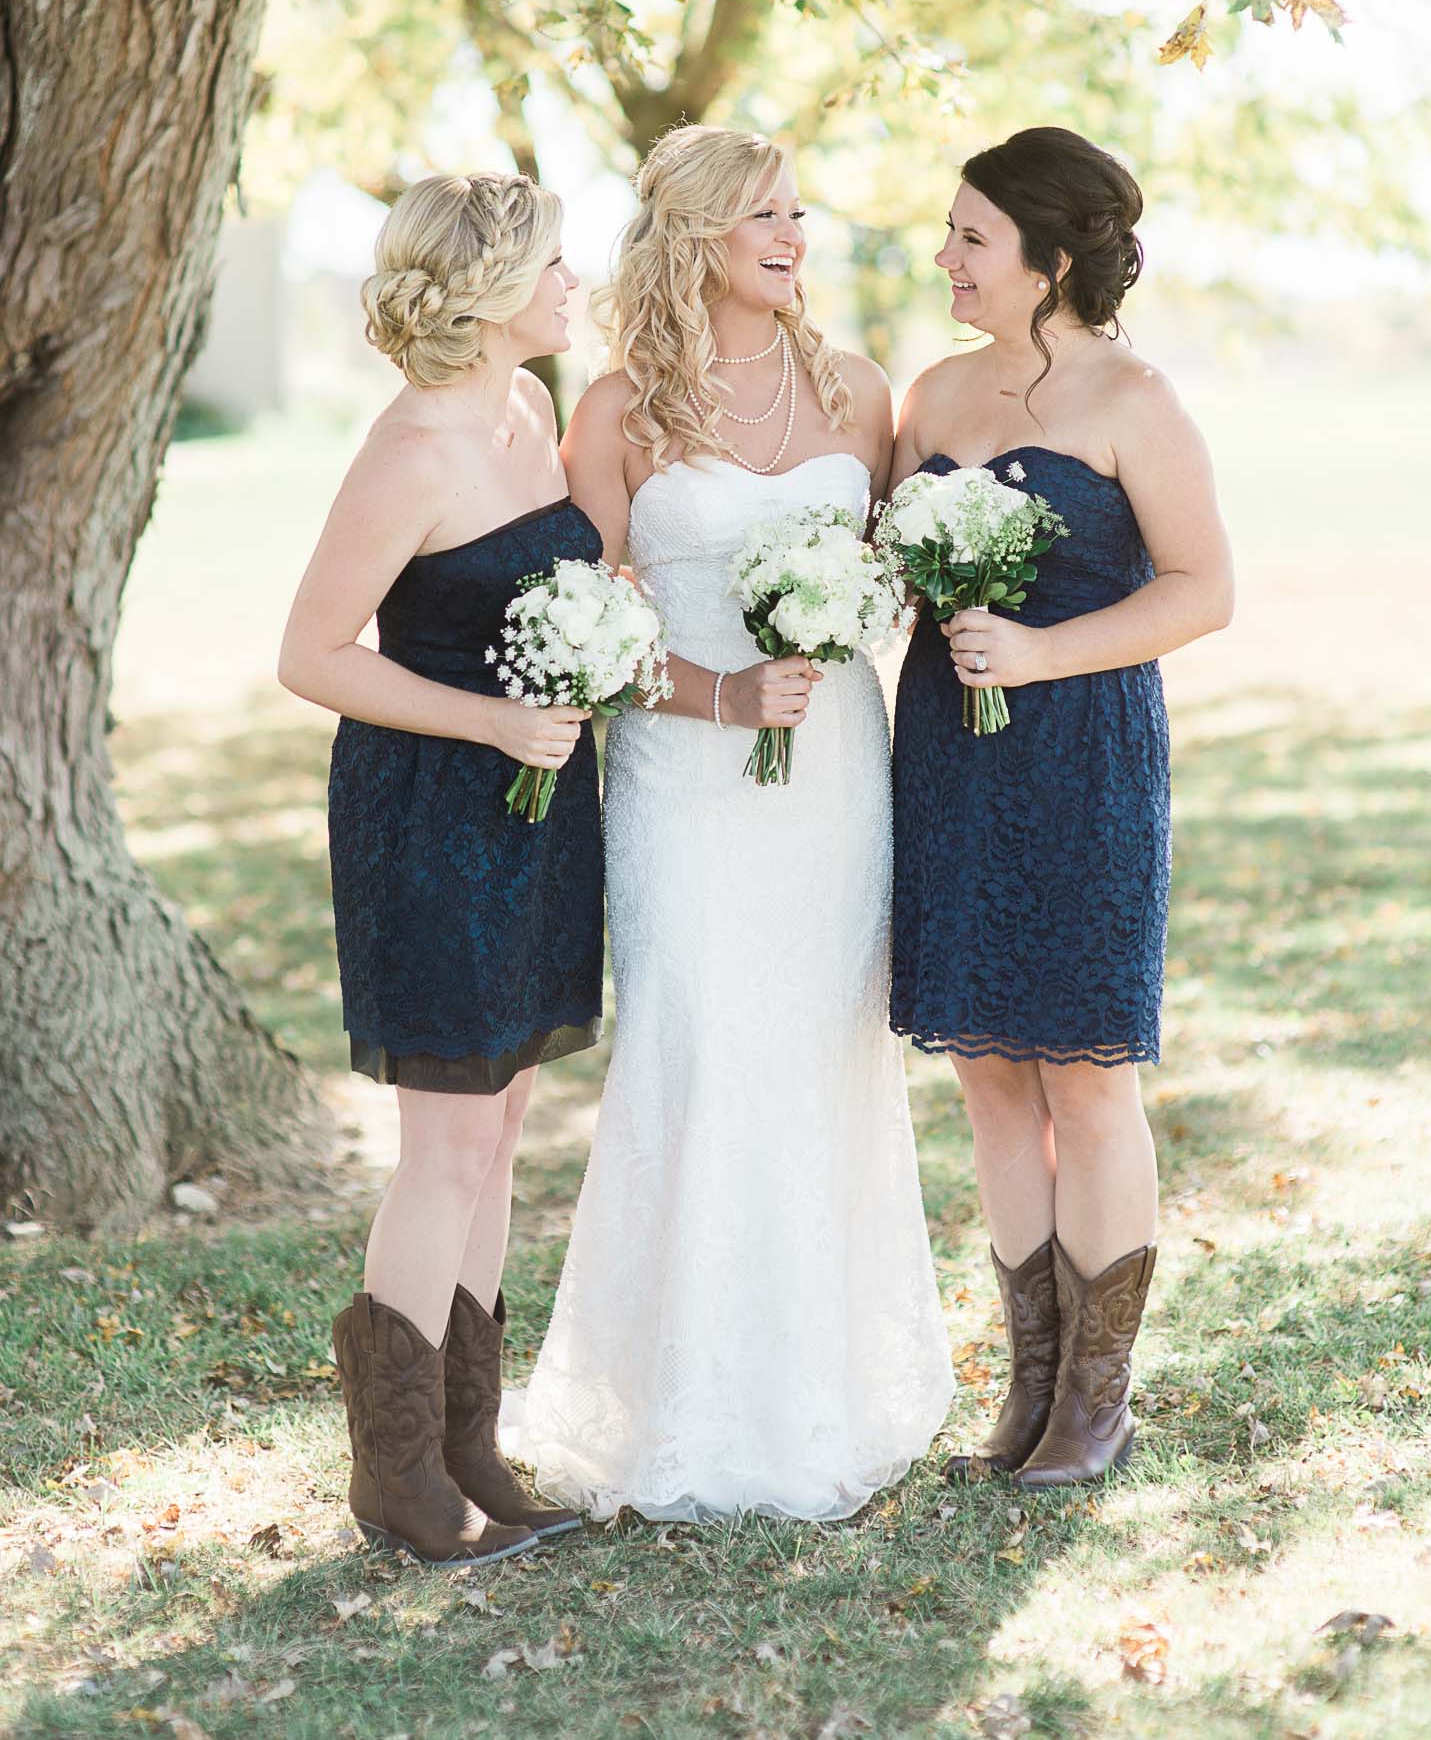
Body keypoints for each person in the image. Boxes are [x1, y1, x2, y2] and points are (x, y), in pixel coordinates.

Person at [514, 123, 954, 1520]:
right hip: (680, 786)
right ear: (697, 233)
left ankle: (824, 1397)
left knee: (819, 1056)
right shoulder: (619, 407)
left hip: (828, 781)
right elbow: (588, 630)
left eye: (799, 213)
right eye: (766, 214)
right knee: (699, 1049)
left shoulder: (860, 392)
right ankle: (675, 1412)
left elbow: (890, 586)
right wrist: (717, 689)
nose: (794, 236)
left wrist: (853, 625)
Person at [889, 126, 1233, 1488]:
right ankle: (1026, 1382)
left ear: (1053, 260)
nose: (947, 257)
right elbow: (884, 564)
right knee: (987, 1074)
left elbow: (1202, 589)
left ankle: (1095, 1400)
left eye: (973, 238)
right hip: (949, 759)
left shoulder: (1134, 400)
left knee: (1086, 1078)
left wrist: (1038, 651)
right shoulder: (930, 395)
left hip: (1083, 754)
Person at [279, 172, 603, 1564]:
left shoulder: (530, 411)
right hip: (430, 812)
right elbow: (313, 654)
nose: (575, 283)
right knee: (448, 1141)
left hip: (540, 808)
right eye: (553, 265)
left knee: (508, 1120)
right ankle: (397, 1473)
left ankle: (470, 1442)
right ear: (483, 297)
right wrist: (491, 719)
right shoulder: (412, 450)